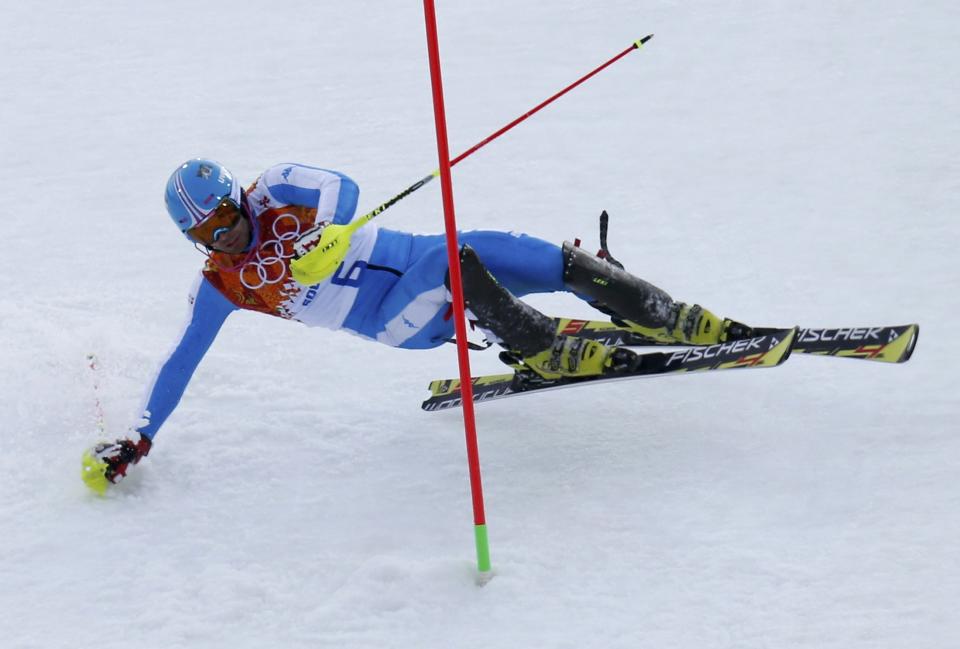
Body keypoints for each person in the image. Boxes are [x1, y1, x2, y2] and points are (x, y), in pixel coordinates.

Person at [82, 158, 751, 491]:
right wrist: (137, 439)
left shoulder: (276, 188)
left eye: (226, 220)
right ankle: (541, 344)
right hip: (399, 320)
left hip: (424, 252)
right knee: (454, 263)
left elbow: (340, 187)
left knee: (551, 259)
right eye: (208, 235)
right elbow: (181, 361)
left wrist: (326, 236)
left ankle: (670, 314)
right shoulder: (221, 285)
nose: (226, 238)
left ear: (234, 198)